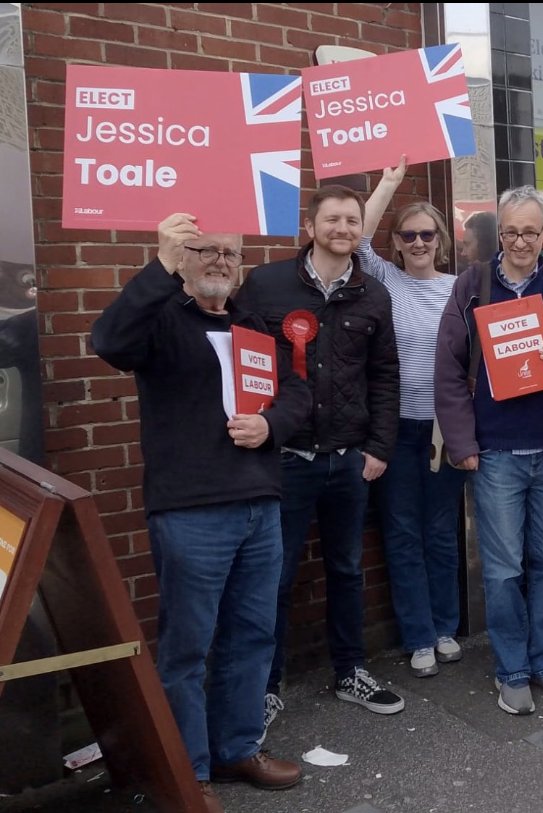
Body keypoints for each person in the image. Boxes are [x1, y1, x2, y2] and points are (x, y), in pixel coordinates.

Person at [92, 214, 311, 812]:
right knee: (188, 649)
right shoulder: (159, 321)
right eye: (205, 251)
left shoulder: (250, 323)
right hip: (191, 511)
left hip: (259, 506)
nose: (220, 261)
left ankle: (237, 747)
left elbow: (295, 391)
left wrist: (270, 424)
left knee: (252, 636)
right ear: (183, 259)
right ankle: (187, 772)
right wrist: (158, 265)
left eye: (230, 254)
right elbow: (108, 341)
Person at [234, 184, 404, 740]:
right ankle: (266, 686)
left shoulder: (373, 294)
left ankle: (350, 670)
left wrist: (379, 447)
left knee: (347, 569)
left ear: (361, 229)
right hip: (283, 458)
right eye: (332, 219)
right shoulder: (265, 285)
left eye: (352, 221)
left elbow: (384, 376)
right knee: (274, 578)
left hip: (348, 458)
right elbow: (241, 363)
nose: (343, 229)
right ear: (312, 226)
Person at [435, 185, 543, 715]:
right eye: (511, 231)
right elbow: (449, 372)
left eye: (531, 231)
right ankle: (512, 668)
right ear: (497, 232)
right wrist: (461, 443)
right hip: (496, 451)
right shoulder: (472, 285)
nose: (521, 241)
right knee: (503, 568)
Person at [358, 158, 467, 678]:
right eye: (409, 236)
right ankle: (418, 635)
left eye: (427, 234)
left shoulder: (459, 288)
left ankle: (445, 627)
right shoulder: (384, 282)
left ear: (439, 239)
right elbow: (358, 241)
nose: (419, 243)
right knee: (402, 533)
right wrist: (389, 182)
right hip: (397, 428)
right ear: (397, 243)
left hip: (444, 430)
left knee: (442, 531)